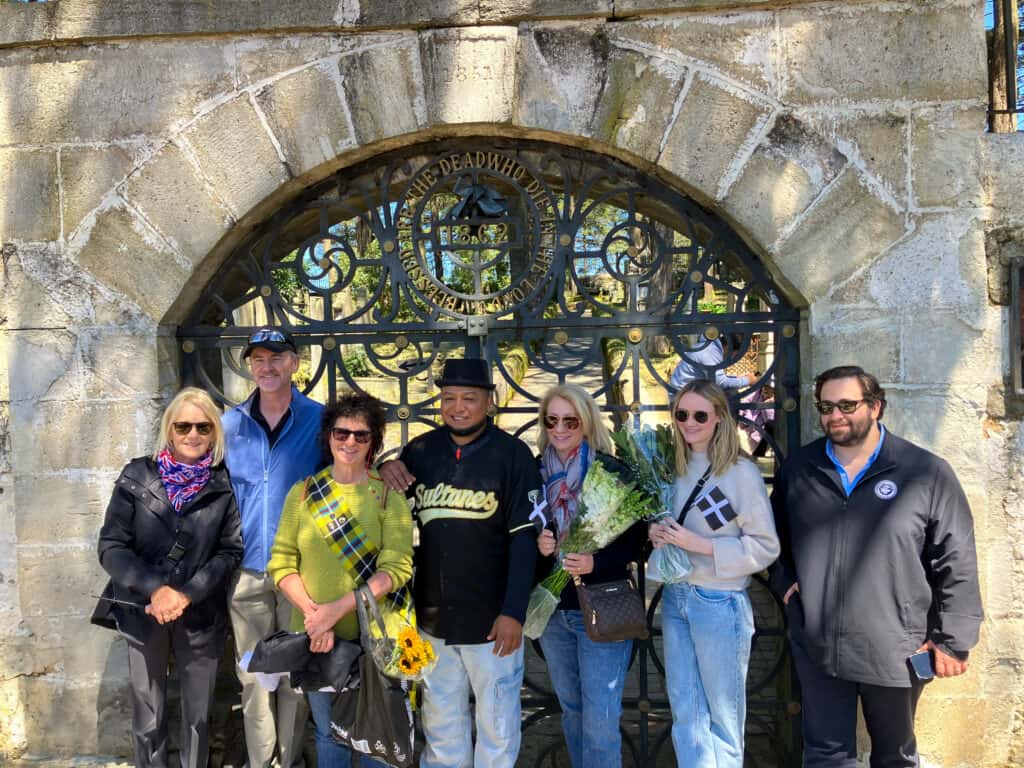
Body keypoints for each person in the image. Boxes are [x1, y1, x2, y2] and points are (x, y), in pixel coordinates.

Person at [769, 365, 983, 768]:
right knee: (826, 755)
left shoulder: (925, 472)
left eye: (848, 405)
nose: (836, 415)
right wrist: (786, 586)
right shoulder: (800, 469)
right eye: (826, 406)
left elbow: (956, 558)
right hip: (818, 640)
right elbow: (772, 540)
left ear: (876, 406)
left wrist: (953, 639)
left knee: (895, 757)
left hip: (895, 644)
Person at [378, 357, 543, 768]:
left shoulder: (513, 455)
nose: (458, 406)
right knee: (441, 728)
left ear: (489, 401)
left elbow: (525, 541)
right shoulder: (421, 450)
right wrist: (386, 466)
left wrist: (513, 612)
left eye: (469, 398)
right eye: (449, 397)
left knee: (497, 728)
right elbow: (387, 502)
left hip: (492, 623)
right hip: (433, 621)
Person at [93, 387, 243, 768]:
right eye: (183, 426)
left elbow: (229, 549)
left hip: (199, 613)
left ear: (214, 432)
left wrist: (187, 594)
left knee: (198, 717)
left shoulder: (223, 484)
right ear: (169, 429)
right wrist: (156, 590)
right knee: (148, 714)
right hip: (143, 609)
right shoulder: (137, 475)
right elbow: (112, 545)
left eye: (203, 427)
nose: (193, 435)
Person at [268, 392, 413, 768]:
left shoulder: (386, 499)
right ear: (328, 436)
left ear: (374, 443)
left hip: (375, 638)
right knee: (328, 734)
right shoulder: (302, 494)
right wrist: (315, 616)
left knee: (376, 735)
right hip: (318, 638)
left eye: (361, 435)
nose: (349, 441)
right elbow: (282, 564)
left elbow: (396, 569)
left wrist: (335, 610)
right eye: (341, 432)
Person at [649, 380, 780, 768]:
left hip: (719, 602)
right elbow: (666, 523)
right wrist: (656, 533)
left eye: (700, 415)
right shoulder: (672, 466)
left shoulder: (741, 473)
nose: (689, 423)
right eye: (682, 414)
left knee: (723, 717)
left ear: (720, 417)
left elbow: (765, 546)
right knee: (686, 715)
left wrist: (700, 544)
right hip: (676, 597)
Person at [222, 328, 324, 768]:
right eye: (258, 359)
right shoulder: (230, 426)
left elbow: (355, 468)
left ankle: (292, 755)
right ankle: (261, 761)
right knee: (252, 674)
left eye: (277, 357)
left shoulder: (320, 421)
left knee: (294, 674)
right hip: (246, 572)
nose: (267, 366)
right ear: (250, 366)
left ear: (295, 363)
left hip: (299, 572)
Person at [533, 384, 647, 768]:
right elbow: (514, 536)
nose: (560, 428)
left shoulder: (610, 471)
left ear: (586, 423)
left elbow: (638, 541)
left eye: (571, 420)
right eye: (552, 420)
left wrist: (597, 564)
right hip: (552, 613)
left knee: (600, 720)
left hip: (601, 605)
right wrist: (540, 547)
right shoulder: (533, 474)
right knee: (572, 711)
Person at [668, 333, 756, 401]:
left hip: (688, 394)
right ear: (729, 348)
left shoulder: (711, 348)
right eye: (737, 355)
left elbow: (714, 378)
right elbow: (720, 383)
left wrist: (736, 378)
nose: (734, 359)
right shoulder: (711, 353)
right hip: (682, 399)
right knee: (731, 395)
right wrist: (748, 380)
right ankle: (728, 425)